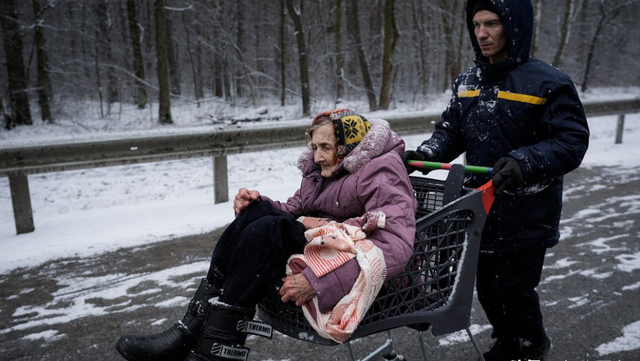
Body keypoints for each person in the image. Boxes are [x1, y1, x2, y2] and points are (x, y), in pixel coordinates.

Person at [116, 108, 417, 361]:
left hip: (355, 268)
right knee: (257, 214)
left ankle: (212, 351)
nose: (318, 156)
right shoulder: (322, 172)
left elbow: (395, 245)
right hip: (325, 248)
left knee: (269, 230)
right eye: (314, 147)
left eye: (326, 147)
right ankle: (189, 329)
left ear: (349, 147)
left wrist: (318, 281)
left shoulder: (381, 172)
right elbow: (293, 209)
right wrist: (257, 204)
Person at [402, 1, 589, 360]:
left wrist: (524, 161)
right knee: (486, 286)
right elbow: (451, 130)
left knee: (515, 288)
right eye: (476, 25)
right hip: (480, 209)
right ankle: (505, 342)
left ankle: (532, 345)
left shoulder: (549, 82)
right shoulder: (468, 81)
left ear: (514, 26)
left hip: (528, 209)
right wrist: (428, 153)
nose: (482, 34)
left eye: (492, 24)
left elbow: (571, 142)